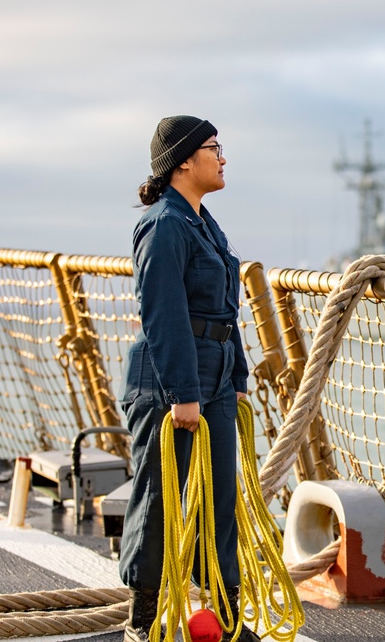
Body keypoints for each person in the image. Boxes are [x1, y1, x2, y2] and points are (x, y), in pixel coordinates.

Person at [120, 115, 257, 642]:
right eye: (214, 148)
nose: (222, 158)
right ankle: (144, 619)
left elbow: (224, 309)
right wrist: (183, 394)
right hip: (167, 386)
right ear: (183, 160)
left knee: (219, 502)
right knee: (160, 503)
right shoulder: (165, 225)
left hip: (216, 381)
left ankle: (225, 617)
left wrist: (237, 375)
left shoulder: (205, 221)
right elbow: (164, 313)